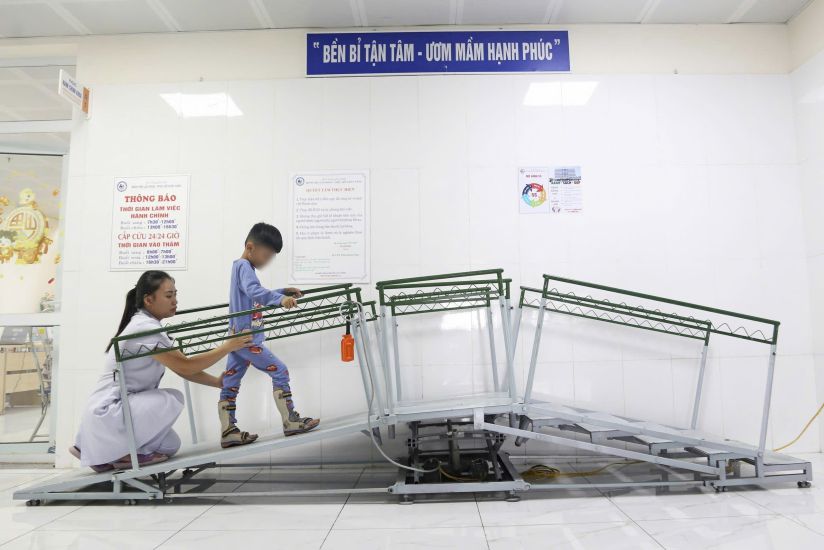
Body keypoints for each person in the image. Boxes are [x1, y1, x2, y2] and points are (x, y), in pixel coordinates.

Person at [71, 270, 251, 471]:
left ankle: (104, 453)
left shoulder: (149, 326)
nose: (175, 301)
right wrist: (228, 346)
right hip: (110, 410)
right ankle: (117, 454)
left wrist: (216, 382)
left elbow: (182, 368)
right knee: (173, 398)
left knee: (171, 445)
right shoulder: (145, 329)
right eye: (168, 296)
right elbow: (185, 365)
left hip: (119, 410)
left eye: (175, 294)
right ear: (148, 300)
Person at [219, 222, 320, 448]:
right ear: (250, 247)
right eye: (266, 255)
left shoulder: (241, 268)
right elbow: (255, 291)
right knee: (280, 371)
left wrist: (282, 292)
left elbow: (253, 295)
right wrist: (280, 299)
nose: (267, 261)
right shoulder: (244, 266)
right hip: (247, 340)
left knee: (230, 382)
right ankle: (290, 420)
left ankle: (228, 431)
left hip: (237, 339)